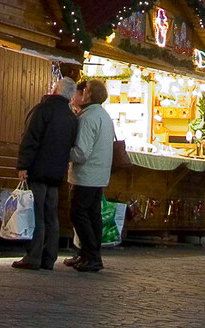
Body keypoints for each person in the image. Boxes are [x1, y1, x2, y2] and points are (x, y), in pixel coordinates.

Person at [12, 76, 79, 272]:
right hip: (56, 173)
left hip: (38, 169)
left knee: (37, 214)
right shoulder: (71, 118)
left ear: (55, 89)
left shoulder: (43, 110)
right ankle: (49, 258)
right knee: (51, 215)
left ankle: (33, 257)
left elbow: (30, 139)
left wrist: (23, 166)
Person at [67, 78, 115, 273]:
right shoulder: (104, 115)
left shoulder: (87, 118)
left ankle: (91, 255)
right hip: (99, 174)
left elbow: (81, 152)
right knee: (93, 215)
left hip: (86, 175)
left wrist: (63, 152)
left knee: (78, 213)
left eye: (84, 90)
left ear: (89, 95)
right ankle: (90, 254)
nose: (80, 92)